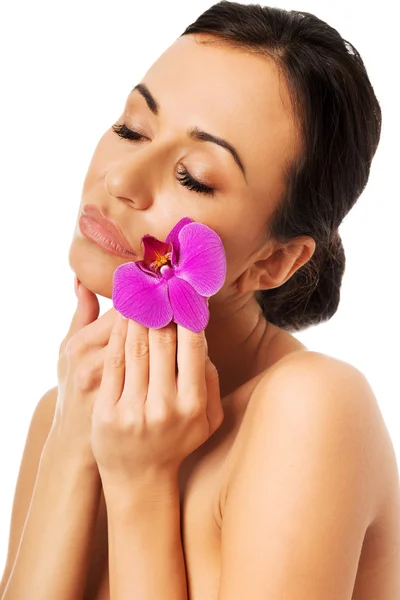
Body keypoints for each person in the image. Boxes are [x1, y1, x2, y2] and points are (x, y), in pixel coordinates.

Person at [1, 1, 399, 598]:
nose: (121, 180)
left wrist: (141, 486)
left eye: (194, 176)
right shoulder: (65, 409)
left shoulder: (310, 408)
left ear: (273, 262)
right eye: (131, 128)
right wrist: (72, 448)